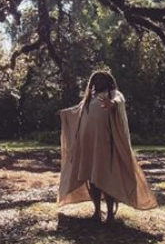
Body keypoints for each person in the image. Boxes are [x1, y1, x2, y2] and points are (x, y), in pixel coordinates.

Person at [56, 69, 157, 223]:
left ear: (109, 81)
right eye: (95, 79)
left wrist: (113, 104)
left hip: (105, 145)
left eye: (101, 79)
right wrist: (64, 114)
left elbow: (120, 100)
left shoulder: (113, 94)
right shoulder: (90, 98)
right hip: (88, 146)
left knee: (106, 178)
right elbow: (78, 111)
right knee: (92, 179)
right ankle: (97, 211)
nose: (98, 82)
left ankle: (110, 213)